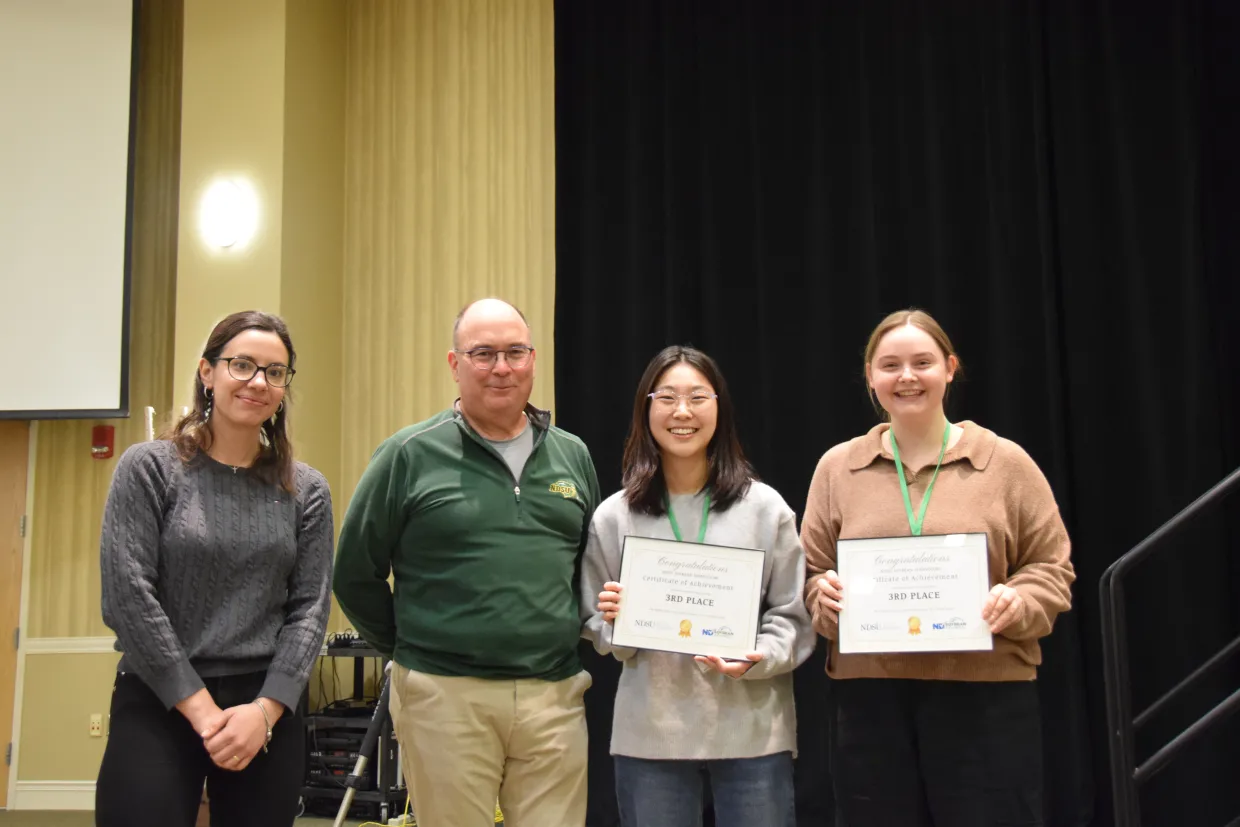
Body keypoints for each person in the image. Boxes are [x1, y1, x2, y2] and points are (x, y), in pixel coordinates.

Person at [333, 298, 601, 827]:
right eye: (483, 354)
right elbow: (354, 572)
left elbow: (586, 568)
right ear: (455, 365)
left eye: (514, 352)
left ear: (532, 359)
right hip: (445, 696)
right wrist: (414, 647)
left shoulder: (573, 455)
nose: (501, 367)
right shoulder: (408, 454)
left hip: (554, 695)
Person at [802, 308, 1075, 827]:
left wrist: (1019, 601)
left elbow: (1051, 567)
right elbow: (812, 571)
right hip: (870, 701)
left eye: (922, 362)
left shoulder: (1005, 462)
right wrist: (825, 596)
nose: (907, 377)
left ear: (950, 368)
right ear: (870, 378)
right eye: (890, 365)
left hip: (985, 697)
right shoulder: (837, 468)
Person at [96, 311, 335, 827]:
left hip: (264, 709)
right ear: (207, 372)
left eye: (275, 372)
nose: (258, 382)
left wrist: (266, 712)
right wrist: (203, 713)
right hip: (159, 696)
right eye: (241, 365)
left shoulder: (307, 490)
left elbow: (310, 610)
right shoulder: (149, 468)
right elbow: (128, 596)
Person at [582, 345, 814, 827]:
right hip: (651, 734)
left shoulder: (765, 509)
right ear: (646, 410)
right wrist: (613, 622)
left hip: (753, 733)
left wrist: (760, 655)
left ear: (720, 406)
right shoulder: (614, 515)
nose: (682, 411)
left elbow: (794, 613)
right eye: (665, 397)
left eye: (697, 396)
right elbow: (594, 621)